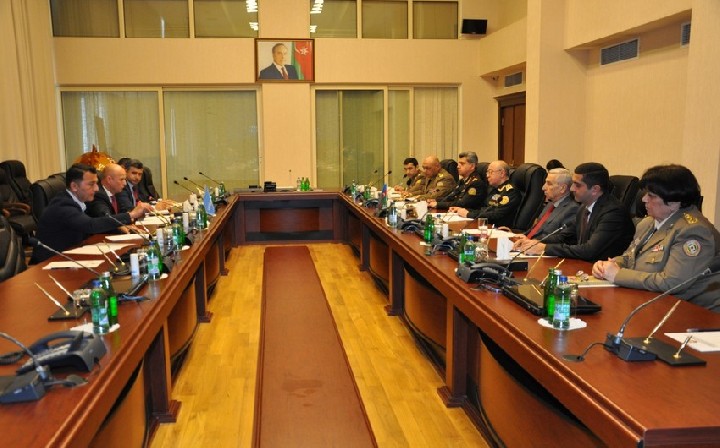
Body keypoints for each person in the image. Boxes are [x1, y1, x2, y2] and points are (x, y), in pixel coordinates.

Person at [592, 164, 720, 305]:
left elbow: (672, 282)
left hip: (690, 309)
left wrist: (618, 275)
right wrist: (609, 266)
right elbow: (630, 258)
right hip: (650, 300)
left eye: (651, 196)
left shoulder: (693, 231)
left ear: (673, 202)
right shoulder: (648, 223)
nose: (643, 199)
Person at [30, 163, 148, 264]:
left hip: (72, 256)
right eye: (91, 184)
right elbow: (90, 225)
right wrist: (131, 215)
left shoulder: (78, 202)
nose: (96, 188)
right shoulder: (63, 205)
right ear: (74, 186)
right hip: (50, 264)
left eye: (96, 183)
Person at [522, 162, 634, 261]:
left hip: (603, 271)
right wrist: (535, 242)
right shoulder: (584, 208)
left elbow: (589, 250)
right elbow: (565, 236)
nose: (572, 189)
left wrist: (546, 248)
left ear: (595, 189)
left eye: (577, 185)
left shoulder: (613, 212)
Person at [513, 168, 578, 249]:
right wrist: (523, 235)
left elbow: (561, 238)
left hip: (542, 250)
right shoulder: (550, 204)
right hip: (527, 246)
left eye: (549, 184)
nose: (543, 187)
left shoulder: (573, 209)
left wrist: (531, 241)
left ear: (563, 188)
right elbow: (537, 228)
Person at [450, 160, 519, 228]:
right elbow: (484, 210)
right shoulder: (494, 189)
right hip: (488, 226)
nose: (487, 175)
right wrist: (464, 210)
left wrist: (468, 214)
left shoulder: (510, 192)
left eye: (490, 172)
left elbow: (496, 215)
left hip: (500, 229)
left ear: (502, 173)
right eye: (487, 172)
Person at [86, 163, 151, 218]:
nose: (125, 183)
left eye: (125, 180)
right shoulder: (98, 195)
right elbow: (107, 219)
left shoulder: (116, 193)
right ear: (109, 179)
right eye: (121, 179)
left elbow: (124, 211)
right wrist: (132, 214)